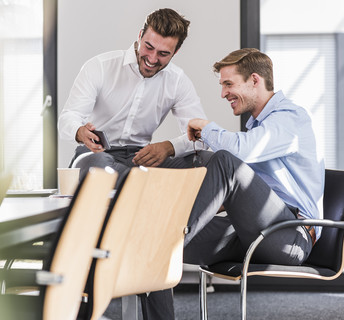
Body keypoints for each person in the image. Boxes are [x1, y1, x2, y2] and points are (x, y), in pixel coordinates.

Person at [152, 48, 324, 318]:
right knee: (155, 243)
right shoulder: (258, 127)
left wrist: (205, 127)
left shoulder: (290, 118)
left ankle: (177, 234)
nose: (223, 94)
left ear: (255, 80)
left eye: (228, 84)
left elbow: (240, 154)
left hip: (291, 236)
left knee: (223, 161)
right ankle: (163, 237)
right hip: (251, 233)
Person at [58, 8, 211, 188]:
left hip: (141, 159)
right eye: (149, 47)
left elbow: (202, 137)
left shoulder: (177, 81)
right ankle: (148, 186)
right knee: (97, 168)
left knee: (207, 161)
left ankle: (141, 185)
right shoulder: (100, 67)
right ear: (140, 36)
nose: (152, 59)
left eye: (163, 54)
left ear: (175, 52)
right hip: (97, 154)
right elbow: (67, 119)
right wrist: (79, 131)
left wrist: (169, 147)